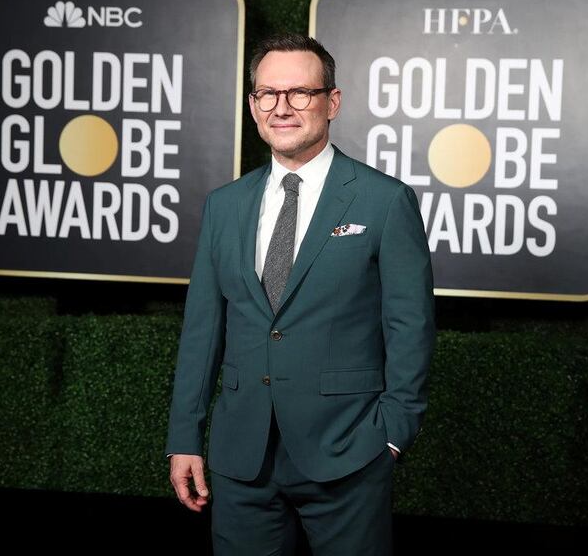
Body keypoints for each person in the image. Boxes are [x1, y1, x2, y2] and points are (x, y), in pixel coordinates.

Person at [165, 33, 435, 555]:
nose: (281, 108)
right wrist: (184, 437)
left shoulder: (384, 201)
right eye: (267, 94)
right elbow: (202, 331)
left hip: (349, 452)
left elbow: (411, 327)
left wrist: (392, 434)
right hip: (242, 458)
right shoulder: (225, 205)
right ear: (252, 105)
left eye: (299, 94)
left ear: (331, 102)